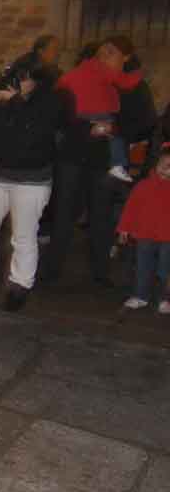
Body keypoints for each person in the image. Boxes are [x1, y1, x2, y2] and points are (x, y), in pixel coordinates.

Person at [0, 61, 62, 311]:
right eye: (18, 77)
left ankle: (20, 286)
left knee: (23, 235)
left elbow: (36, 133)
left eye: (26, 78)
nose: (20, 82)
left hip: (31, 180)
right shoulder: (6, 103)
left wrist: (16, 101)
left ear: (37, 82)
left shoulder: (50, 103)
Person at [43, 36, 144, 286]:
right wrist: (88, 127)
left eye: (111, 52)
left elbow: (140, 121)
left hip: (102, 158)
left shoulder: (132, 86)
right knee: (65, 212)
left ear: (126, 57)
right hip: (73, 154)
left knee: (101, 215)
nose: (104, 56)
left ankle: (101, 273)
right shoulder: (83, 73)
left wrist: (113, 128)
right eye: (102, 52)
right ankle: (51, 270)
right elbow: (60, 115)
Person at [116, 150, 170, 313]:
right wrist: (124, 229)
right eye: (164, 164)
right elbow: (130, 208)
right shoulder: (143, 185)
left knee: (165, 269)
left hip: (167, 237)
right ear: (156, 165)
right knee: (142, 266)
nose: (167, 168)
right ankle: (140, 295)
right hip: (145, 234)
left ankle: (164, 299)